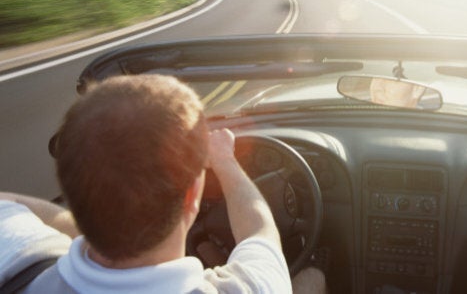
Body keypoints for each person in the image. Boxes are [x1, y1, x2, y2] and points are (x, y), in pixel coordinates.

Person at [0, 74, 325, 293]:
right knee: (314, 276)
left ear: (69, 190)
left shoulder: (19, 259)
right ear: (192, 195)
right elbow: (260, 232)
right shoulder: (251, 285)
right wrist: (225, 161)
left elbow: (9, 206)